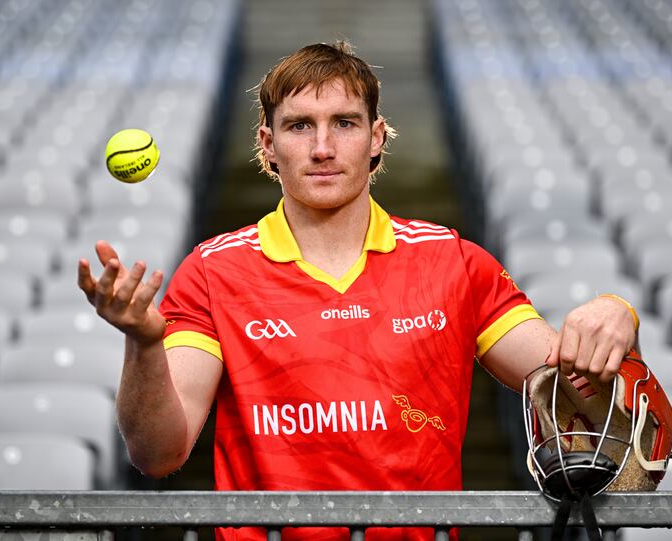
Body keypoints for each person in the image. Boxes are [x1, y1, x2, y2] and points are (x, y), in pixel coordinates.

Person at [78, 42, 638, 540]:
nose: (323, 147)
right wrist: (144, 344)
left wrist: (616, 315)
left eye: (344, 123)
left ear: (375, 138)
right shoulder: (211, 272)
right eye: (300, 126)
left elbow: (584, 403)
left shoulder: (454, 262)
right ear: (268, 145)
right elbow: (157, 454)